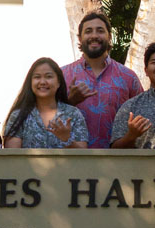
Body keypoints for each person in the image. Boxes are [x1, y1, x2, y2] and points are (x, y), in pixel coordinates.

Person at [61, 11, 143, 148]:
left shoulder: (128, 77)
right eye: (88, 31)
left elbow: (142, 116)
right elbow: (47, 117)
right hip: (73, 159)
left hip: (118, 160)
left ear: (109, 37)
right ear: (80, 38)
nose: (94, 36)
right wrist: (70, 101)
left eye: (100, 31)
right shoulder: (62, 75)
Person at [3, 57, 88, 149]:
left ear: (59, 82)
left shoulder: (73, 114)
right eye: (37, 77)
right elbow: (12, 156)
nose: (42, 82)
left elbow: (83, 155)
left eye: (48, 76)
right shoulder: (18, 116)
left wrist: (67, 140)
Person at [110, 42, 155, 149]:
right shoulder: (131, 106)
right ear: (146, 71)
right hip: (142, 166)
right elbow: (115, 149)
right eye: (154, 62)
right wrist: (131, 136)